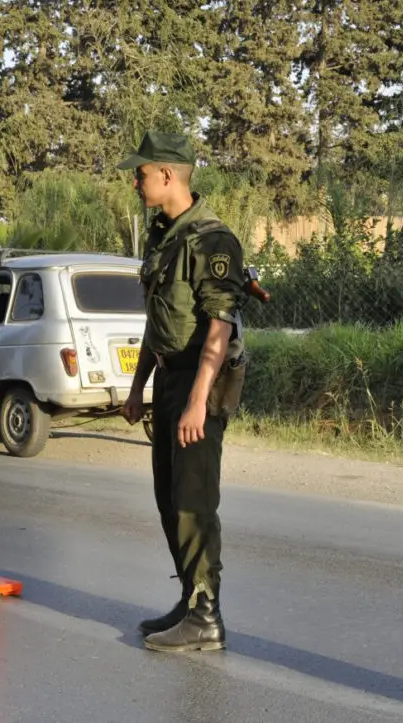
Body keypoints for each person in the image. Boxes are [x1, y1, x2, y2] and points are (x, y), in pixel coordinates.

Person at [119, 130, 249, 653]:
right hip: (170, 376)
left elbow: (218, 326)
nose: (135, 181)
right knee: (168, 497)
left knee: (194, 500)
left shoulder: (213, 241)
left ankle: (206, 616)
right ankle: (189, 598)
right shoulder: (164, 235)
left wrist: (197, 400)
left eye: (141, 173)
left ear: (168, 174)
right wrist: (137, 389)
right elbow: (158, 321)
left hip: (203, 379)